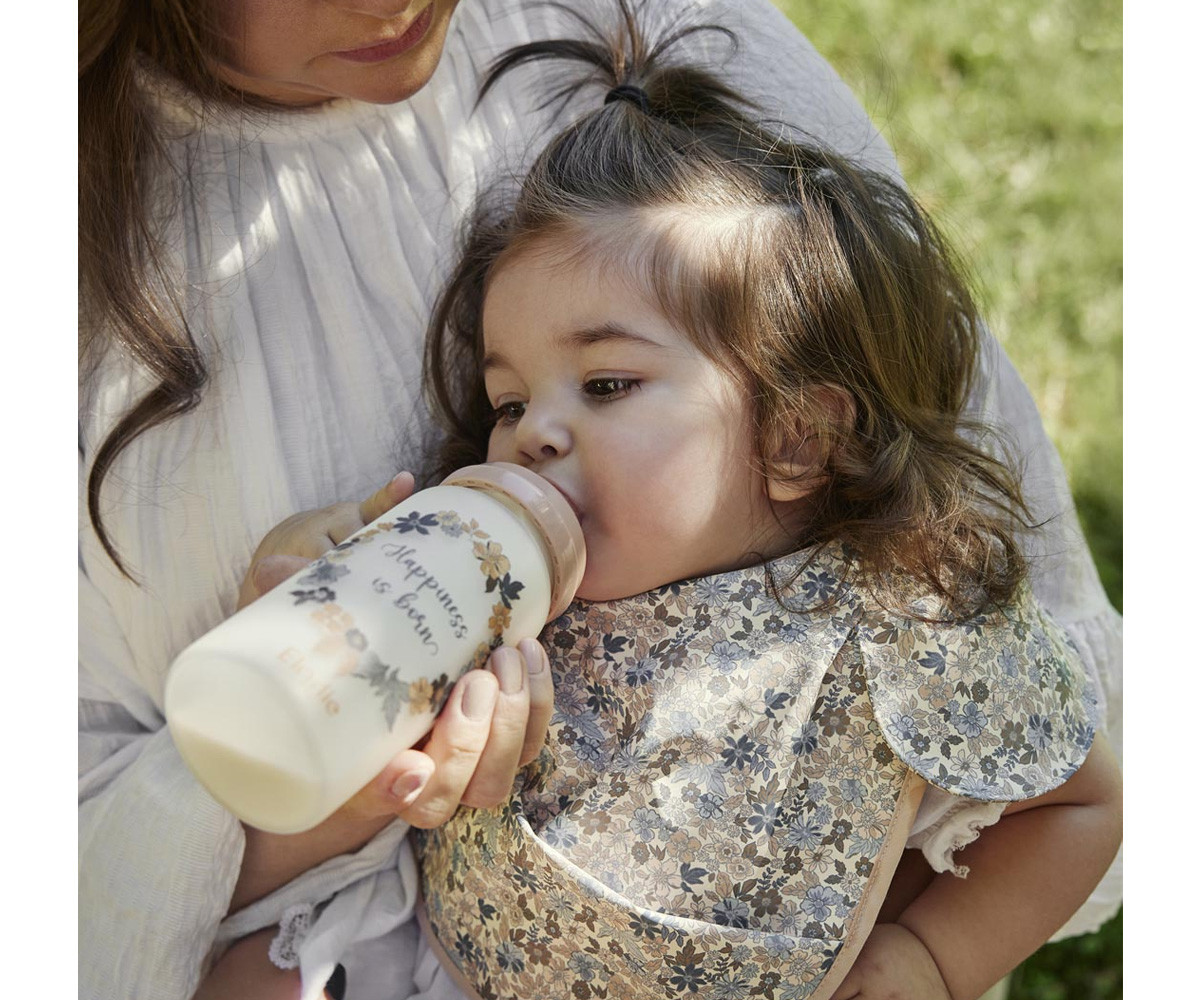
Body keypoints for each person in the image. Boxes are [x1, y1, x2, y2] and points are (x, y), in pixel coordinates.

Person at [77, 2, 1122, 999]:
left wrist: (934, 961)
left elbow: (1086, 800)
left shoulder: (899, 619)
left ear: (801, 433)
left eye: (608, 386)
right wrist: (333, 619)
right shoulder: (508, 595)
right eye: (508, 399)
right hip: (430, 957)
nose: (533, 433)